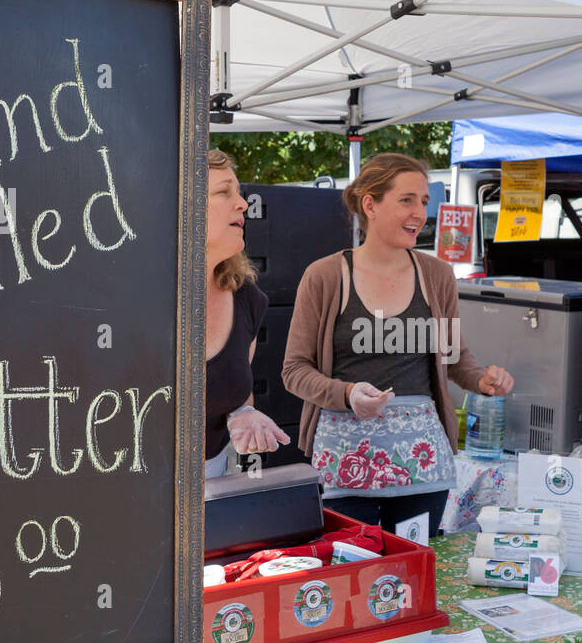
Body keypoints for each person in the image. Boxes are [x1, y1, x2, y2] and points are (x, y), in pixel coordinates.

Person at [282, 152, 512, 537]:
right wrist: (347, 393)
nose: (420, 213)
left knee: (410, 579)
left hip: (423, 468)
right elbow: (294, 370)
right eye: (406, 200)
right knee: (353, 575)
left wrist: (481, 380)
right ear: (370, 204)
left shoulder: (436, 275)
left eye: (424, 201)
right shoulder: (324, 276)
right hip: (345, 465)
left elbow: (454, 358)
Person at [204, 149, 289, 479]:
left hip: (211, 487)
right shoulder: (132, 296)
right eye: (224, 191)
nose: (242, 203)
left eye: (239, 193)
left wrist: (244, 412)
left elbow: (235, 387)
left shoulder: (247, 300)